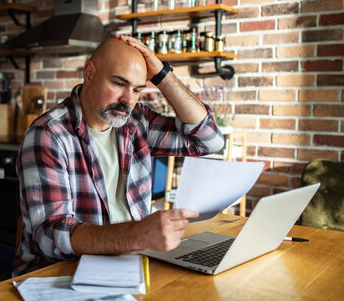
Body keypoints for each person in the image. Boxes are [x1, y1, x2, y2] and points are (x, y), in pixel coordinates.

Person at [13, 34, 225, 276]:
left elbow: (209, 140)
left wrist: (162, 75)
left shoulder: (136, 122)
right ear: (89, 74)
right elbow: (51, 236)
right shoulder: (49, 134)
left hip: (129, 264)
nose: (128, 100)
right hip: (60, 276)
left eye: (137, 89)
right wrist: (137, 234)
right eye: (118, 84)